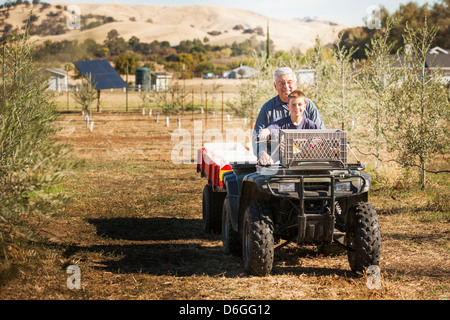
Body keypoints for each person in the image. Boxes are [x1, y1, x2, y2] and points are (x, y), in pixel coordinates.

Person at [252, 67, 325, 164]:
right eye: (281, 83)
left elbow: (322, 134)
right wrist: (262, 153)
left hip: (306, 161)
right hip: (276, 163)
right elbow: (257, 137)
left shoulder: (309, 106)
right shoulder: (267, 109)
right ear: (275, 86)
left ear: (296, 84)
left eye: (289, 82)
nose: (286, 86)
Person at [258, 90, 320, 165]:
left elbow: (322, 137)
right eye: (293, 105)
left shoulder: (311, 125)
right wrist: (265, 131)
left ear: (305, 106)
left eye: (300, 104)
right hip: (286, 163)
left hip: (306, 161)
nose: (297, 107)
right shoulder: (282, 124)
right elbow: (269, 129)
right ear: (288, 107)